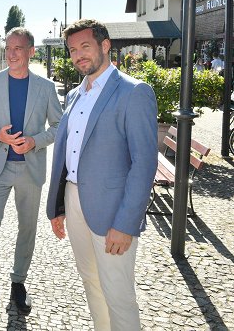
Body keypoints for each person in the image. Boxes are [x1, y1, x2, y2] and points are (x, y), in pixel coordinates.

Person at [46, 19, 157, 331]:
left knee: (118, 294)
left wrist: (126, 223)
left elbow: (144, 164)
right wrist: (59, 206)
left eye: (85, 46)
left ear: (105, 45)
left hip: (112, 211)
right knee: (92, 285)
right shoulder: (74, 96)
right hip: (75, 199)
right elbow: (68, 157)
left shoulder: (134, 92)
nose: (79, 55)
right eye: (72, 50)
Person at [0, 27, 62, 313]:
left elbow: (59, 127)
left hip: (30, 170)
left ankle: (18, 283)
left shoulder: (45, 88)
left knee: (27, 229)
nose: (11, 54)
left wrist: (34, 141)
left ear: (31, 51)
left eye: (18, 48)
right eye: (8, 48)